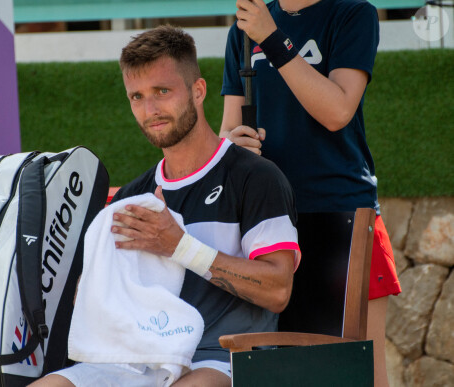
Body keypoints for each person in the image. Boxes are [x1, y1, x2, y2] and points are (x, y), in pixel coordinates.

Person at [30, 25, 300, 387]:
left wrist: (179, 246)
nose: (150, 109)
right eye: (137, 97)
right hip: (136, 363)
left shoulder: (256, 178)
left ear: (198, 91)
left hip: (225, 360)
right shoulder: (133, 196)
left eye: (162, 91)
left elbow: (278, 291)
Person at [219, 1, 402, 386]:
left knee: (358, 373)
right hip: (269, 220)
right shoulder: (244, 28)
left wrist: (271, 37)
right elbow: (226, 131)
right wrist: (234, 144)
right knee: (279, 372)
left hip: (341, 216)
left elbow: (337, 110)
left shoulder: (353, 13)